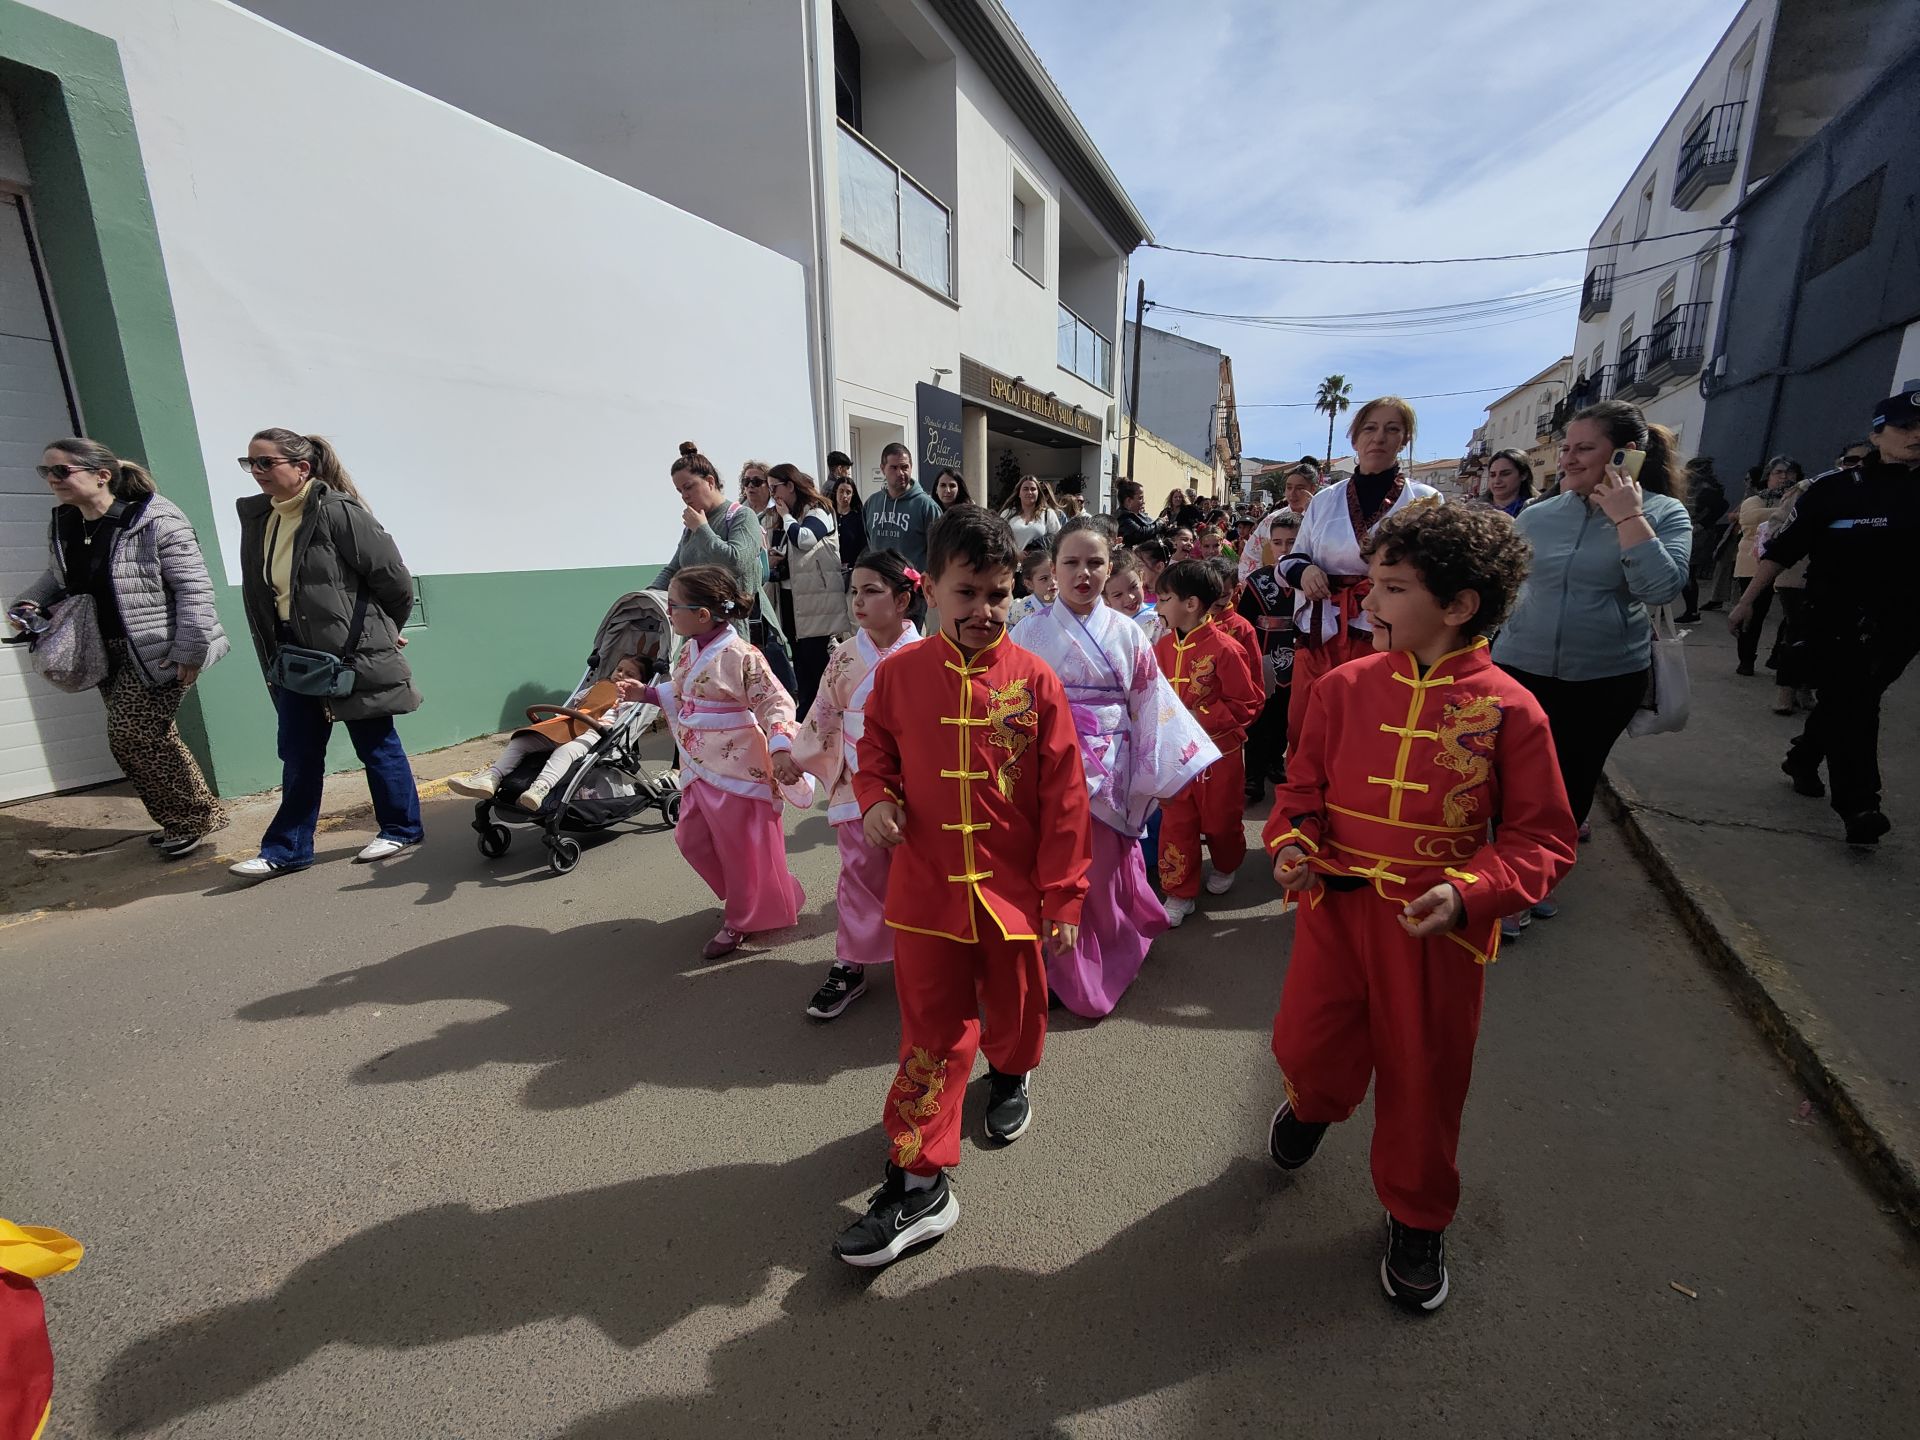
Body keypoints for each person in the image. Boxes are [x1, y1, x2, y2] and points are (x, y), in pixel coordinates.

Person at [1263, 501, 1577, 1313]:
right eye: (1374, 581)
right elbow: (1300, 792)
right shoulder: (1343, 687)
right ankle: (1314, 1102)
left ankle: (1416, 1213)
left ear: (1459, 605)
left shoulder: (1513, 709)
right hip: (1336, 912)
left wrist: (1473, 892)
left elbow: (1543, 840)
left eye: (1393, 587)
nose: (1369, 599)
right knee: (1308, 1040)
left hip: (1436, 933)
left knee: (1424, 1076)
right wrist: (1293, 848)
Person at [832, 505, 1090, 1268]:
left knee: (1015, 1010)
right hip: (926, 893)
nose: (984, 611)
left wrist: (1065, 895)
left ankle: (1011, 1076)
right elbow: (873, 745)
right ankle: (920, 1178)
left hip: (1011, 896)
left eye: (999, 595)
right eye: (967, 592)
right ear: (933, 591)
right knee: (932, 1036)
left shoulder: (1036, 681)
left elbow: (1066, 797)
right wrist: (877, 799)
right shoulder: (900, 676)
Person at [1011, 518, 1216, 1017]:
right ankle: (1053, 958)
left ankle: (1093, 963)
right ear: (1051, 571)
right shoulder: (1026, 631)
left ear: (1111, 566)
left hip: (1111, 763)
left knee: (1098, 870)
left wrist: (1166, 771)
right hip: (1047, 761)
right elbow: (1009, 703)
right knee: (1051, 865)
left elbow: (1150, 703)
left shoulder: (1128, 633)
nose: (1084, 573)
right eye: (1071, 563)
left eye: (1095, 562)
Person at [1492, 399, 1690, 913]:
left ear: (1625, 456)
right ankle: (1498, 874)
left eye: (1585, 448)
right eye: (1566, 448)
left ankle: (1532, 884)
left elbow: (1662, 589)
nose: (1568, 459)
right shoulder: (1538, 515)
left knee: (1568, 783)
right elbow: (1503, 587)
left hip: (1604, 677)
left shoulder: (1665, 515)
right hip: (1517, 667)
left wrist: (1628, 518)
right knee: (1504, 778)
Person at [10, 438, 229, 858]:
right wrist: (28, 604)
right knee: (149, 736)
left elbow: (194, 589)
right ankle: (190, 816)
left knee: (131, 735)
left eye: (61, 471)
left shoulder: (156, 519)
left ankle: (191, 818)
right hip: (101, 648)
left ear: (101, 474)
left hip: (157, 649)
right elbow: (59, 578)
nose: (52, 480)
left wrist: (191, 649)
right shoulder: (66, 523)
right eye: (46, 472)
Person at [228, 429, 423, 880]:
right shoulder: (261, 517)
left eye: (265, 463)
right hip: (294, 654)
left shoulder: (338, 511)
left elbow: (393, 579)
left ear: (302, 468)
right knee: (298, 752)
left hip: (351, 652)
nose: (257, 473)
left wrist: (386, 629)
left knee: (375, 745)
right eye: (250, 463)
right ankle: (288, 848)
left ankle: (401, 828)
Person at [1728, 389, 1920, 847]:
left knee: (1853, 698)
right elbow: (1784, 549)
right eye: (1905, 428)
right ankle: (1860, 806)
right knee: (1857, 704)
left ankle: (1804, 755)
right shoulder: (1834, 489)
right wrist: (1747, 601)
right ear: (1877, 434)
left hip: (1902, 624)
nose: (1917, 436)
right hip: (1836, 619)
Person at [620, 565, 809, 957]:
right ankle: (760, 894)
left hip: (738, 765)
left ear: (702, 614)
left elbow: (775, 701)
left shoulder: (742, 653)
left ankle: (740, 918)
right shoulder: (688, 649)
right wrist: (649, 696)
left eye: (674, 606)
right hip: (697, 762)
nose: (669, 612)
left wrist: (779, 746)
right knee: (692, 837)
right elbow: (685, 692)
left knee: (741, 847)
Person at [774, 549, 923, 1020]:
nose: (858, 601)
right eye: (854, 591)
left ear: (903, 600)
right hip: (857, 777)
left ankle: (925, 958)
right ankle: (851, 962)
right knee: (859, 872)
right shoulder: (844, 656)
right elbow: (823, 712)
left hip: (917, 782)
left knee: (919, 873)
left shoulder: (929, 655)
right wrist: (798, 756)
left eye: (872, 591)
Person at [1277, 397, 1441, 748]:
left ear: (1404, 439)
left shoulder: (1425, 500)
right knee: (1308, 732)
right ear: (1354, 439)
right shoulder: (1325, 500)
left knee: (1369, 734)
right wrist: (1305, 572)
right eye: (1370, 428)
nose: (1379, 438)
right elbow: (1291, 560)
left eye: (1392, 429)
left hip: (1386, 636)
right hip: (1322, 633)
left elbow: (1435, 572)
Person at [1153, 559, 1261, 927]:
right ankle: (1179, 891)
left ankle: (1227, 862)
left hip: (1218, 756)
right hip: (1175, 756)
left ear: (1191, 603)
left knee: (1220, 821)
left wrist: (1201, 715)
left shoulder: (1226, 649)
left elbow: (1249, 702)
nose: (1158, 606)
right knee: (1176, 821)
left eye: (1164, 598)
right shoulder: (1162, 647)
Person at [656, 442, 800, 698]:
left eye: (689, 487)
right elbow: (675, 567)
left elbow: (736, 562)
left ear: (709, 481)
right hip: (703, 633)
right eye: (679, 491)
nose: (685, 496)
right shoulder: (694, 523)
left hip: (742, 633)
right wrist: (647, 597)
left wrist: (702, 529)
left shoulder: (740, 516)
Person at [448, 655, 648, 811]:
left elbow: (627, 719)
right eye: (619, 669)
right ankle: (491, 777)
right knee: (523, 740)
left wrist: (629, 699)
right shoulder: (598, 686)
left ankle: (539, 789)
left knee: (566, 751)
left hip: (595, 732)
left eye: (629, 674)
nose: (621, 675)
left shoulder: (629, 697)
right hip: (569, 723)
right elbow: (576, 703)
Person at [769, 463, 844, 716]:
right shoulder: (790, 514)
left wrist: (787, 517)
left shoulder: (818, 509)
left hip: (816, 603)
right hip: (793, 599)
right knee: (800, 662)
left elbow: (804, 539)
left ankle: (822, 716)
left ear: (790, 485)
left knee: (816, 663)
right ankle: (807, 717)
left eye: (774, 488)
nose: (773, 495)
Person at [1236, 513, 1300, 800]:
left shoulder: (1313, 579)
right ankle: (1253, 777)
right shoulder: (1257, 580)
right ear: (1269, 546)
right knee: (1260, 720)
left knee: (1287, 718)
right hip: (1264, 656)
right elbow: (1244, 624)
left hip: (1300, 655)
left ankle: (1276, 762)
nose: (1284, 548)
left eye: (1291, 541)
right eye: (1278, 542)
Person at [1731, 457, 1800, 677]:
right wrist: (1788, 508)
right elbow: (1749, 517)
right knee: (1752, 613)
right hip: (1753, 564)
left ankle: (1778, 657)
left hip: (1788, 564)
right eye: (1778, 472)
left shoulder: (1803, 498)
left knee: (1791, 615)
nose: (1784, 477)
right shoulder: (1756, 499)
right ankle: (1746, 659)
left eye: (1789, 473)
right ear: (1768, 476)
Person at [862, 442, 943, 573]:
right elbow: (869, 543)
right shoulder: (872, 503)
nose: (900, 473)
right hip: (880, 582)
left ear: (911, 467)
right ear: (883, 469)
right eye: (893, 467)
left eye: (905, 467)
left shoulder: (927, 506)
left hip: (913, 587)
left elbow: (939, 552)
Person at [1205, 555, 1262, 680]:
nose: (1214, 601)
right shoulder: (1189, 621)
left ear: (1236, 590)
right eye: (1209, 593)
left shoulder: (1242, 628)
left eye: (1223, 595)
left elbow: (1254, 672)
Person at [1000, 474, 1063, 552]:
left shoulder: (1048, 514)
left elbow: (1059, 541)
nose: (1029, 492)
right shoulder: (1007, 513)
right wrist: (1017, 555)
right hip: (1012, 562)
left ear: (1038, 493)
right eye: (1025, 489)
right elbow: (999, 541)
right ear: (1019, 493)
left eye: (1033, 489)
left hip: (1039, 562)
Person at [830, 474, 868, 586]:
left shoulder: (858, 518)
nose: (844, 496)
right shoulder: (827, 516)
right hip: (830, 571)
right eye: (841, 491)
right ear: (836, 492)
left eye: (848, 492)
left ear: (853, 495)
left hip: (851, 573)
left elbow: (864, 546)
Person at [1476, 448, 1535, 518]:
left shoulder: (1536, 511)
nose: (1497, 481)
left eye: (1505, 474)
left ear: (1523, 475)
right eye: (1492, 475)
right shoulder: (1473, 511)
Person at [1007, 543, 1057, 625]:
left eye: (1055, 576)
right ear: (1029, 584)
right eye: (1044, 579)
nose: (1052, 582)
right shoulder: (1019, 609)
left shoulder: (1070, 601)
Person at [1114, 480, 1158, 546]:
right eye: (1140, 498)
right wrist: (1159, 524)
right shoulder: (1122, 518)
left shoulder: (1139, 514)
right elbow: (1140, 533)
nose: (1143, 502)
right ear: (1128, 500)